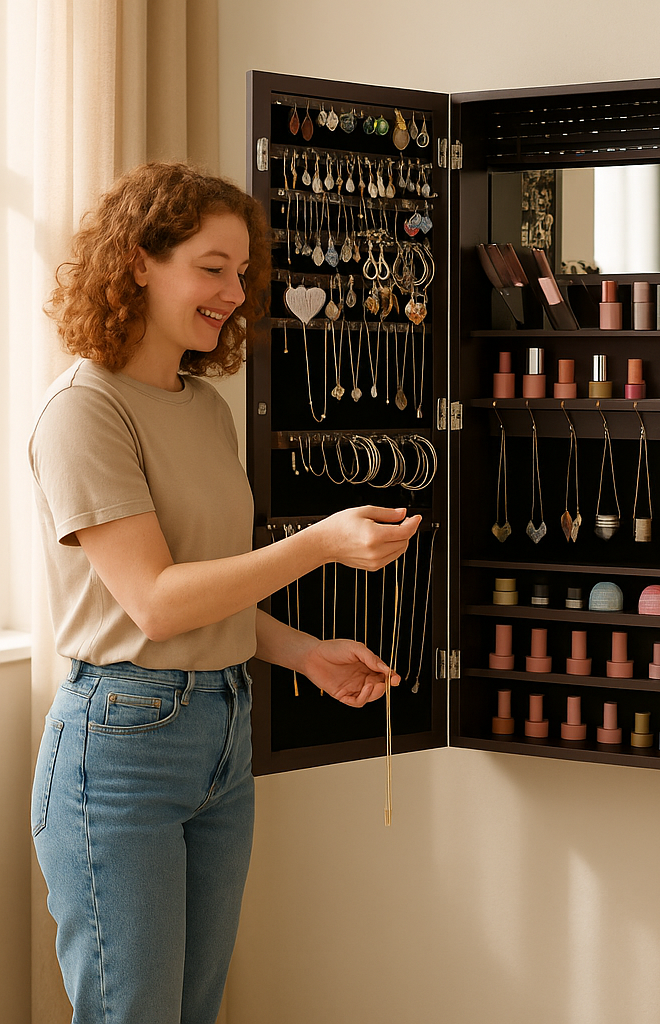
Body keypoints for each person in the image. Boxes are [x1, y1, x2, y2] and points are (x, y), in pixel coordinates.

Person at [28, 162, 421, 1024]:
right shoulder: (83, 411)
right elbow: (159, 604)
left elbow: (209, 587)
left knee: (193, 1011)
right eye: (212, 268)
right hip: (120, 744)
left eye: (242, 274)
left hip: (221, 728)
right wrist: (321, 544)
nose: (233, 293)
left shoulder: (205, 407)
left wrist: (302, 653)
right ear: (138, 261)